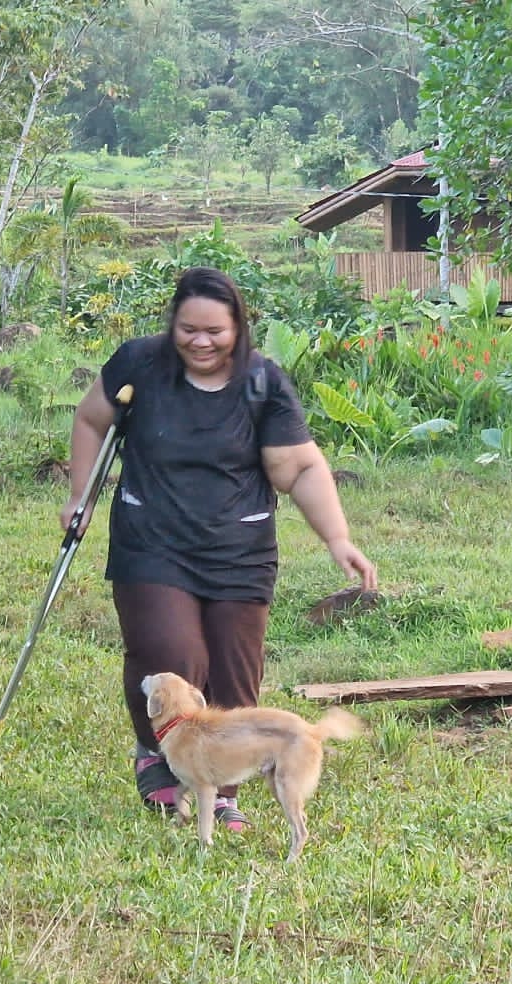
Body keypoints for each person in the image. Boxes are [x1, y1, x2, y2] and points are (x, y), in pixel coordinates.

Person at [63, 266, 378, 830]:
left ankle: (224, 787)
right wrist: (79, 495)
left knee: (235, 673)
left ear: (239, 327)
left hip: (239, 548)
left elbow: (300, 467)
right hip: (152, 540)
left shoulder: (262, 383)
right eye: (189, 330)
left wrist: (338, 538)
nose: (200, 342)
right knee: (171, 653)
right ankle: (157, 755)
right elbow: (91, 421)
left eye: (215, 331)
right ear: (172, 324)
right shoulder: (140, 364)